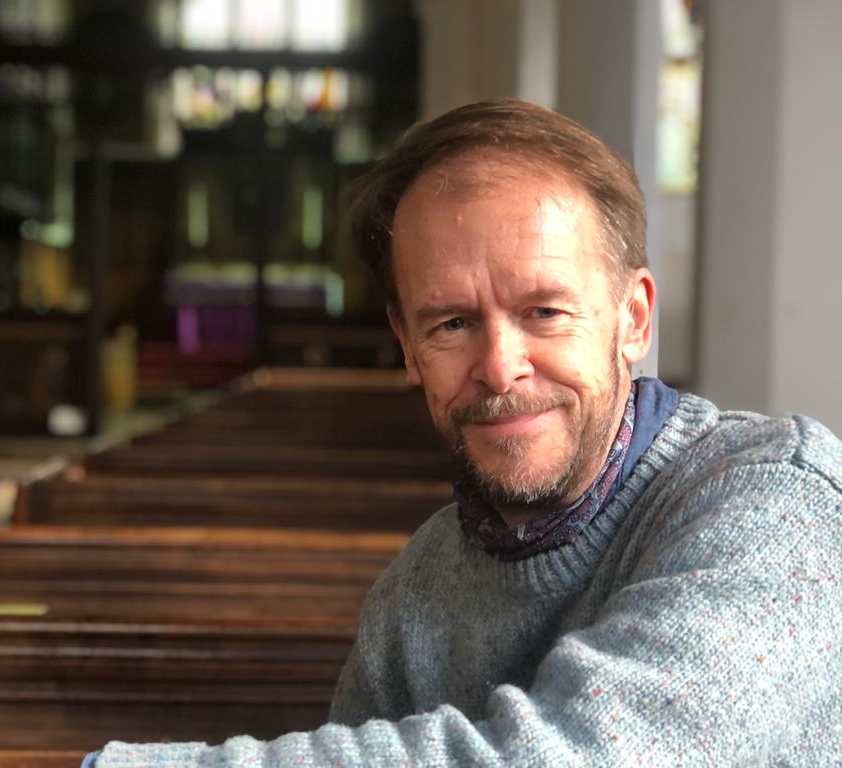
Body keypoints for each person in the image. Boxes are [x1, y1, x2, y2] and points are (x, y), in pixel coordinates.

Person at [84, 100, 842, 766]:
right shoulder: (414, 593)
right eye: (451, 323)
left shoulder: (778, 501)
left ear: (633, 318)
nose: (499, 367)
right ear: (409, 349)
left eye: (544, 311)